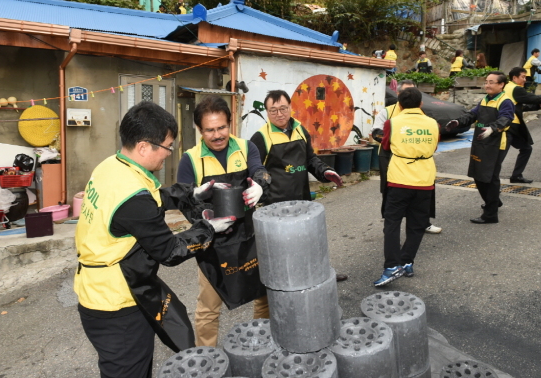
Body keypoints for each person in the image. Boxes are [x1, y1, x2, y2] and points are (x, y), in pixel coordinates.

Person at [74, 101, 236, 378]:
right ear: (144, 147)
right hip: (117, 303)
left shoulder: (112, 166)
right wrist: (208, 228)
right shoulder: (131, 197)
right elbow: (169, 251)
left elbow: (154, 198)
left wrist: (193, 193)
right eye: (167, 147)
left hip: (102, 289)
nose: (168, 155)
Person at [177, 96, 271, 346]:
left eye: (222, 127)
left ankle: (261, 342)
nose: (217, 135)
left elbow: (259, 170)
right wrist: (204, 218)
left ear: (230, 124)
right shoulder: (190, 159)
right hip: (212, 244)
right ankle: (207, 358)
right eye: (210, 130)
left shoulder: (246, 146)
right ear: (199, 130)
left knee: (263, 294)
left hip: (248, 237)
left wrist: (260, 185)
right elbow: (183, 202)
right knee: (209, 305)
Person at [249, 90, 347, 282]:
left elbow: (310, 159)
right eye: (273, 110)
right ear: (267, 112)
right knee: (283, 248)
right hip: (276, 206)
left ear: (290, 108)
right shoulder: (260, 138)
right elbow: (255, 172)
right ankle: (289, 283)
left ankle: (321, 275)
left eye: (283, 108)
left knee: (310, 240)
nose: (279, 114)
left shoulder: (301, 130)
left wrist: (325, 172)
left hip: (302, 199)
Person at [373, 87, 440, 287]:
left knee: (392, 223)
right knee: (417, 224)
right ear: (421, 104)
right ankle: (407, 261)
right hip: (425, 180)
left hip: (399, 180)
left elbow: (385, 146)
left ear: (399, 105)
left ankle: (392, 266)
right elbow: (434, 146)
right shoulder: (433, 123)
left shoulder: (392, 123)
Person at [371, 80, 442, 234]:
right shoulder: (387, 112)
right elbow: (376, 132)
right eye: (406, 92)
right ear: (398, 95)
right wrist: (395, 143)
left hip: (418, 156)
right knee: (391, 190)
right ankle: (391, 222)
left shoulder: (422, 112)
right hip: (390, 155)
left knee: (424, 189)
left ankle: (423, 222)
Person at [446, 71, 515, 224]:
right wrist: (458, 122)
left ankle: (490, 214)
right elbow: (473, 115)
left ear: (501, 84)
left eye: (491, 82)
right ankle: (494, 201)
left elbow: (506, 118)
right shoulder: (485, 99)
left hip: (495, 144)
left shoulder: (505, 101)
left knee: (489, 178)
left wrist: (492, 129)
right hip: (480, 142)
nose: (487, 85)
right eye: (486, 82)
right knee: (478, 175)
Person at [504, 67, 541, 184]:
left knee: (526, 148)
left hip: (510, 125)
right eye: (523, 77)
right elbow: (530, 98)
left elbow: (521, 106)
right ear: (514, 78)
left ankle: (516, 176)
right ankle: (490, 179)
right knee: (502, 154)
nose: (525, 80)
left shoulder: (507, 87)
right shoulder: (516, 89)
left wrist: (539, 105)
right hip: (511, 125)